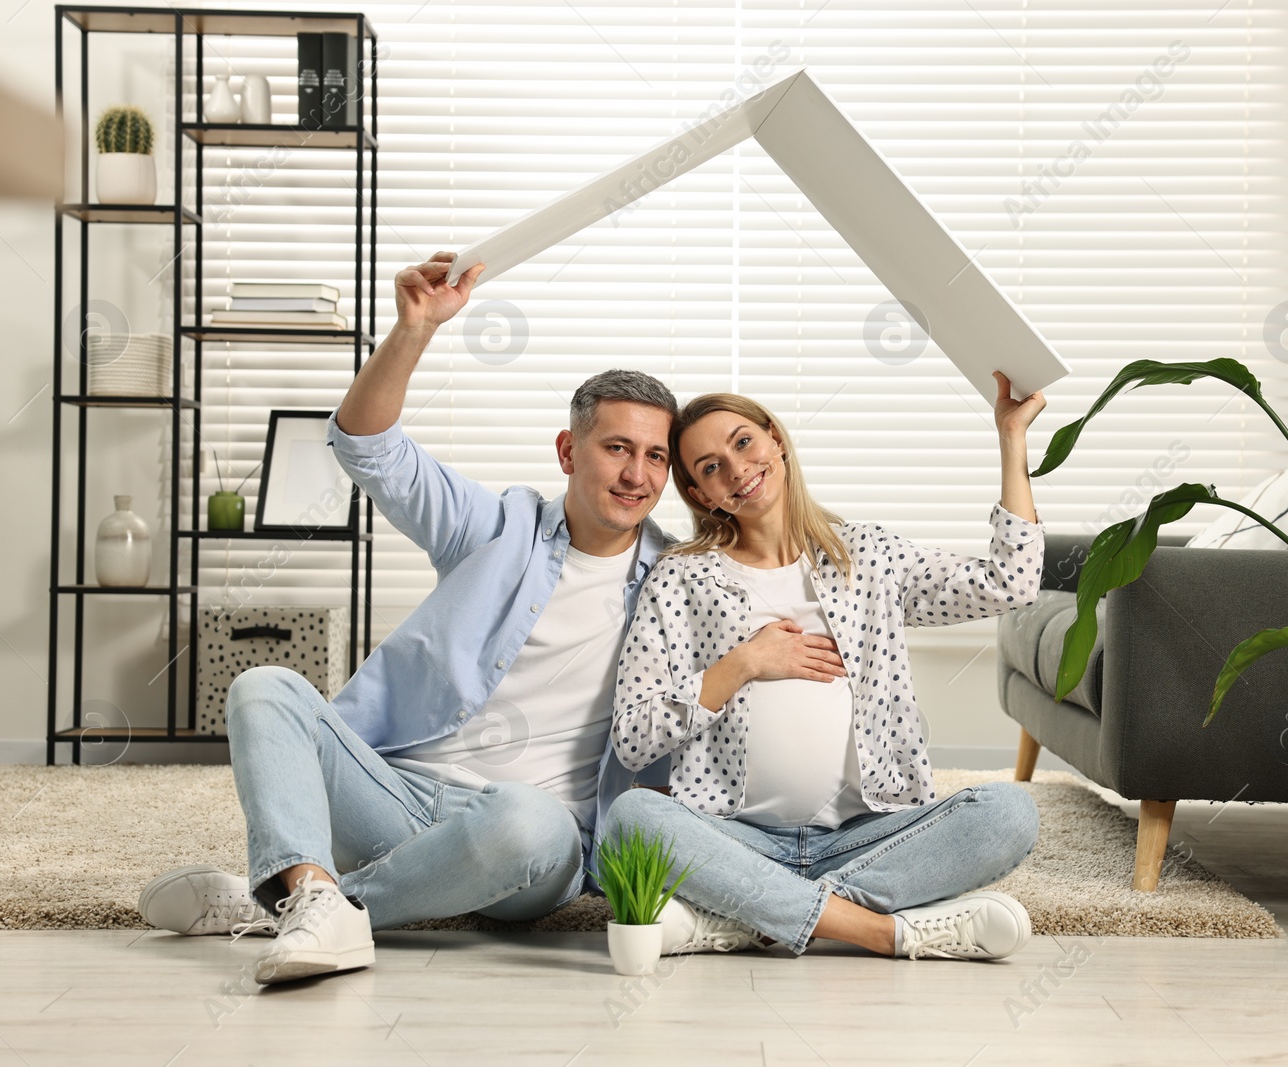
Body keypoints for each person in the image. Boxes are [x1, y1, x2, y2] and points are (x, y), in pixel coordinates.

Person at [138, 253, 677, 985]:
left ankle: (295, 900)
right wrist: (413, 330)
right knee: (263, 685)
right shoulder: (494, 526)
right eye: (617, 447)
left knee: (531, 821)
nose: (636, 474)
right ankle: (314, 896)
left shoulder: (680, 580)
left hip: (527, 843)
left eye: (655, 456)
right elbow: (367, 447)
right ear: (568, 450)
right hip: (396, 797)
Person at [603, 373, 1046, 961]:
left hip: (866, 835)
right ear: (700, 493)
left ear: (775, 441)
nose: (735, 470)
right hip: (739, 838)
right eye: (709, 468)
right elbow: (633, 742)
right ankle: (876, 929)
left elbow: (1009, 584)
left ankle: (752, 917)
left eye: (742, 443)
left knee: (1008, 812)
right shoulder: (682, 579)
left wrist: (1011, 438)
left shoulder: (868, 555)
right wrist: (742, 664)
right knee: (632, 817)